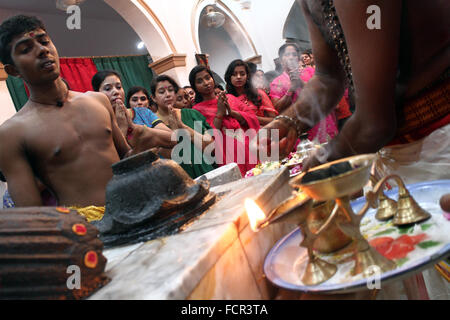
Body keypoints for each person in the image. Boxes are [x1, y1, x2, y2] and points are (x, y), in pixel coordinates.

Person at [257, 1, 450, 299]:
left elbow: (375, 123)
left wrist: (320, 167)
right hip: (399, 156)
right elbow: (328, 77)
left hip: (441, 141)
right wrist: (289, 120)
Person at [0, 15, 173, 213]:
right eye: (26, 49)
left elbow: (125, 159)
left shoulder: (97, 101)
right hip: (84, 230)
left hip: (137, 207)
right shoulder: (11, 133)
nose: (42, 50)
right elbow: (32, 215)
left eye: (44, 41)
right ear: (13, 70)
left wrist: (142, 148)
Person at [189, 65, 260, 175]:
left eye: (207, 78)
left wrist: (232, 112)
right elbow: (206, 138)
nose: (206, 83)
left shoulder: (230, 98)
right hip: (226, 154)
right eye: (199, 81)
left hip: (247, 146)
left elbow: (252, 118)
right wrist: (220, 114)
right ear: (195, 87)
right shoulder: (196, 111)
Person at [150, 75, 217, 179]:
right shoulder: (152, 125)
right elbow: (165, 157)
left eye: (171, 90)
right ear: (153, 97)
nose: (168, 95)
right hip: (179, 180)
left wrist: (183, 127)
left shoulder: (192, 114)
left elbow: (210, 147)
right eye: (161, 92)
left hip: (206, 172)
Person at [270, 42, 338, 143]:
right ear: (280, 60)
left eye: (294, 54)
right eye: (287, 55)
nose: (291, 57)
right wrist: (291, 90)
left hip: (322, 121)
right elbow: (278, 108)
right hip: (300, 128)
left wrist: (300, 82)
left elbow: (322, 93)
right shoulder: (277, 82)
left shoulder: (310, 71)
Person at [225, 59, 278, 126]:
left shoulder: (258, 93)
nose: (238, 77)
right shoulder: (227, 99)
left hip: (264, 132)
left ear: (247, 76)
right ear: (229, 77)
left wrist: (251, 119)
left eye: (242, 74)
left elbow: (274, 120)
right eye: (234, 74)